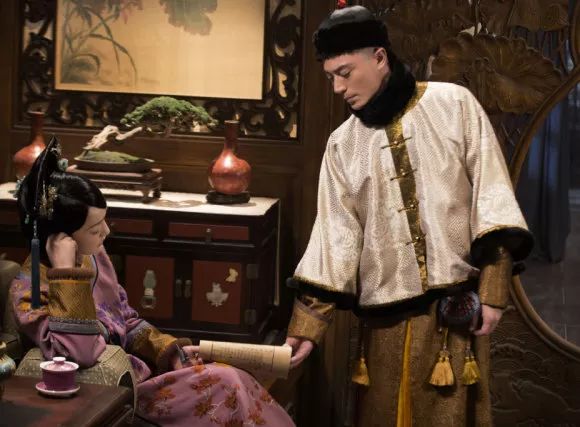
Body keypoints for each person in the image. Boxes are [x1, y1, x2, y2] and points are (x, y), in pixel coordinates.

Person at [285, 5, 533, 426]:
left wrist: (493, 291)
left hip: (453, 318)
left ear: (379, 58)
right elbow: (335, 239)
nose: (338, 87)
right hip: (384, 322)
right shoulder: (343, 145)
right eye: (330, 77)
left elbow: (491, 198)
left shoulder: (453, 105)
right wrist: (306, 328)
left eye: (345, 72)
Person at [11, 137, 295, 427]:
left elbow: (126, 319)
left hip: (141, 373)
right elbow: (80, 354)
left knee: (232, 378)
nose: (106, 232)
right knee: (226, 385)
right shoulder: (30, 289)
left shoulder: (93, 257)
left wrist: (168, 350)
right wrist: (66, 275)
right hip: (115, 392)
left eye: (104, 221)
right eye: (95, 229)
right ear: (61, 238)